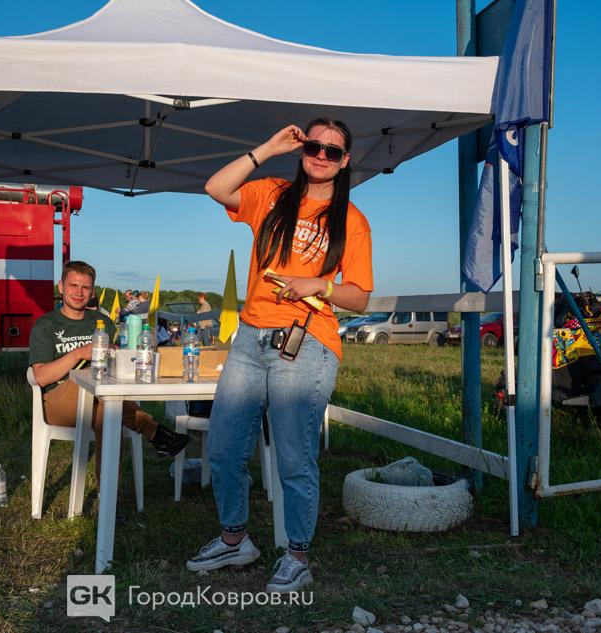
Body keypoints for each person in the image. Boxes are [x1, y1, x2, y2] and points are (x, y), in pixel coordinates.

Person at [186, 119, 373, 592]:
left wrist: (319, 285)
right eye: (314, 146)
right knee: (224, 448)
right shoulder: (271, 194)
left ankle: (297, 556)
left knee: (293, 456)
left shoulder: (351, 220)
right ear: (302, 149)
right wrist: (267, 148)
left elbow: (359, 298)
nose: (322, 156)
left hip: (306, 342)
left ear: (345, 161)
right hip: (250, 338)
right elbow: (215, 187)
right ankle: (235, 540)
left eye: (333, 151)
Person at [28, 261, 188, 485]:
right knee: (99, 395)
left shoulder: (102, 322)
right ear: (61, 287)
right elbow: (41, 377)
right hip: (58, 401)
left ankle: (107, 495)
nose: (79, 292)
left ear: (92, 292)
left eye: (85, 287)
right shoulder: (47, 324)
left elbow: (118, 366)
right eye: (73, 285)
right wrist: (79, 353)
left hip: (100, 399)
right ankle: (153, 431)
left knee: (107, 411)